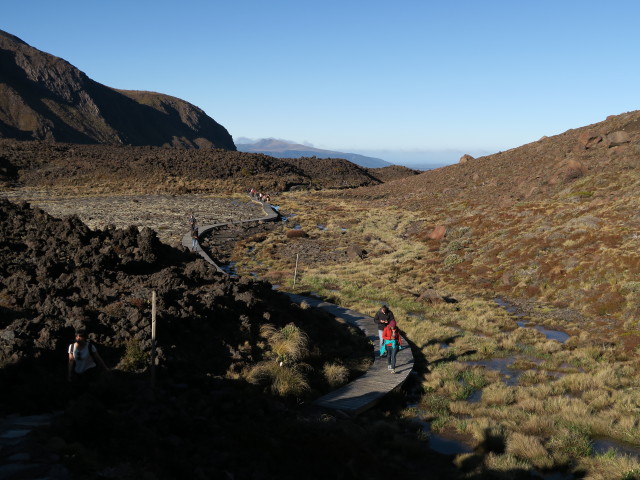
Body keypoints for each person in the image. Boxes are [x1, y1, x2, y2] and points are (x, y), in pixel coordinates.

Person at [68, 329, 109, 396]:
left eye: (80, 337)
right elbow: (71, 361)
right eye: (77, 337)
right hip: (78, 372)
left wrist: (105, 368)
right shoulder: (71, 347)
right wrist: (69, 374)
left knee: (86, 389)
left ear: (84, 338)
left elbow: (98, 358)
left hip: (90, 371)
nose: (78, 338)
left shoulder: (90, 347)